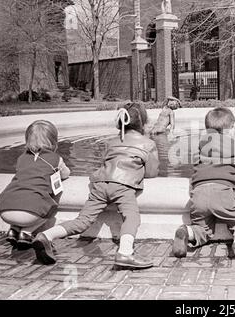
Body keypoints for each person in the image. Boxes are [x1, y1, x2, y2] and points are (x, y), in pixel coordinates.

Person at [33, 102, 160, 268]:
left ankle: (46, 235)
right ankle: (125, 253)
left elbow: (105, 163)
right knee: (131, 217)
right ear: (143, 122)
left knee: (83, 220)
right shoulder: (148, 143)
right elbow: (152, 172)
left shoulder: (111, 142)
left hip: (99, 184)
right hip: (122, 186)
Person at [172, 107, 235, 258]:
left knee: (203, 229)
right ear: (229, 129)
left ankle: (186, 232)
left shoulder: (199, 146)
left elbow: (196, 169)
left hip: (198, 195)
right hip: (223, 194)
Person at [0, 120, 70, 250]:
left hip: (4, 210)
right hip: (29, 214)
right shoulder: (56, 159)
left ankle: (13, 230)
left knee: (24, 200)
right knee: (51, 209)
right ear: (54, 142)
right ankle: (26, 233)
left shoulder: (21, 158)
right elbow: (66, 174)